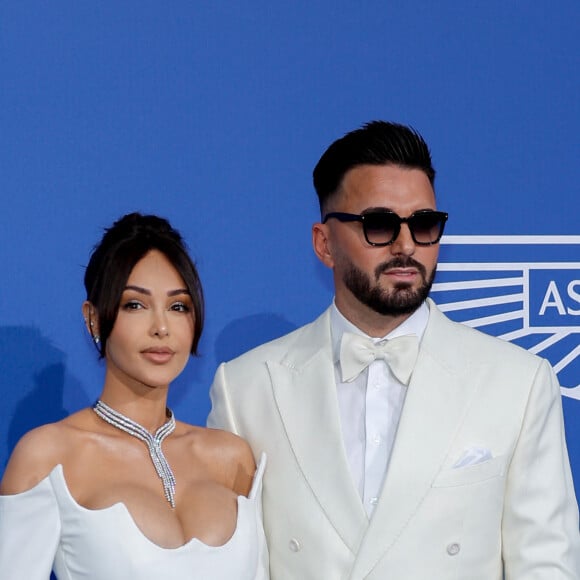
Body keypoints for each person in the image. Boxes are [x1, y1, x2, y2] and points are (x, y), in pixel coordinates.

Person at [207, 121, 580, 579]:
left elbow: (547, 566)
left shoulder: (518, 383)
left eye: (424, 224)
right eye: (379, 225)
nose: (407, 246)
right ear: (324, 244)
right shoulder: (246, 388)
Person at [0, 212, 269, 579]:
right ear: (94, 319)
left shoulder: (233, 457)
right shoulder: (49, 456)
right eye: (135, 305)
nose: (161, 328)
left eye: (178, 307)